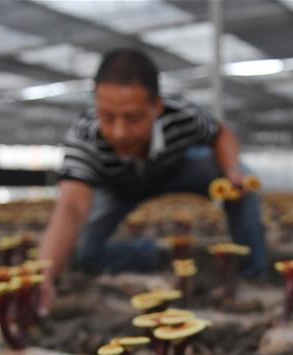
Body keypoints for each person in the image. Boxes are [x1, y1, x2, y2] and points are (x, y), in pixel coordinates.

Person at [36, 48, 268, 316]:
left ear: (157, 106)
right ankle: (152, 254)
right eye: (107, 117)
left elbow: (221, 134)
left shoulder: (182, 114)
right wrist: (44, 277)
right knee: (85, 254)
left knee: (243, 182)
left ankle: (253, 274)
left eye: (133, 118)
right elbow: (72, 206)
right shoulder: (83, 137)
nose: (119, 133)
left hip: (177, 170)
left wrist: (232, 171)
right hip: (120, 187)